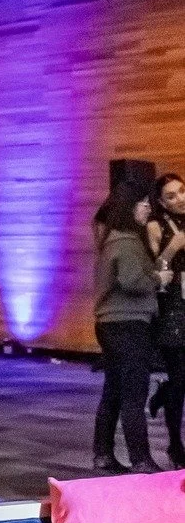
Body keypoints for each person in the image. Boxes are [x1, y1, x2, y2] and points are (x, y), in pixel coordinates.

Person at [93, 182, 159, 473]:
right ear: (130, 208)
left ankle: (103, 454)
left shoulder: (112, 239)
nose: (148, 208)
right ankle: (141, 459)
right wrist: (159, 280)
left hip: (111, 323)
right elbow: (133, 282)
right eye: (143, 203)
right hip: (128, 323)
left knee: (114, 392)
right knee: (134, 393)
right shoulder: (128, 242)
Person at [147, 173, 185, 470]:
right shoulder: (156, 226)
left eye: (182, 191)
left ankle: (164, 389)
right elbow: (153, 269)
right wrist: (173, 248)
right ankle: (175, 445)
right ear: (161, 202)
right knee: (181, 378)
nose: (179, 199)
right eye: (171, 196)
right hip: (172, 309)